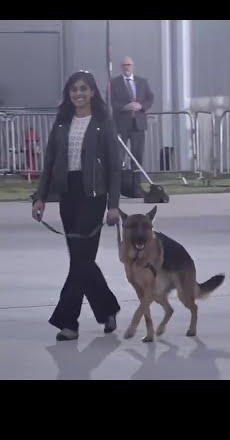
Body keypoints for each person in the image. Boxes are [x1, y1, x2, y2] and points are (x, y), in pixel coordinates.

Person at [32, 71, 122, 341]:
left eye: (83, 89)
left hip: (94, 196)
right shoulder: (62, 122)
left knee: (81, 260)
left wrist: (114, 205)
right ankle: (107, 307)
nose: (79, 94)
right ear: (68, 94)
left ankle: (67, 320)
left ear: (92, 92)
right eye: (74, 90)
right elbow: (49, 162)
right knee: (81, 260)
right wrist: (40, 197)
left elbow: (115, 168)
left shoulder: (103, 122)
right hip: (67, 195)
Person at [110, 56, 154, 198]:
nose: (127, 67)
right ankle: (115, 188)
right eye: (124, 65)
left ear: (133, 66)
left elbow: (150, 98)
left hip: (138, 125)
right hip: (121, 125)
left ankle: (136, 188)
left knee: (137, 157)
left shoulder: (142, 82)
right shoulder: (114, 83)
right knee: (118, 157)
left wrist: (142, 106)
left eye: (129, 65)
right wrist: (124, 107)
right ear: (121, 67)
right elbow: (112, 101)